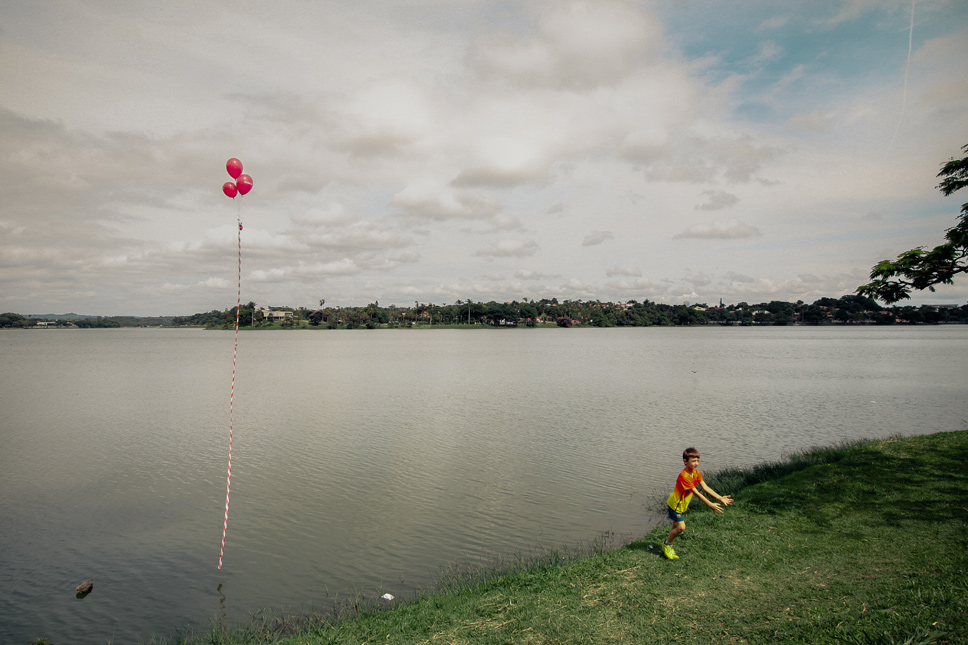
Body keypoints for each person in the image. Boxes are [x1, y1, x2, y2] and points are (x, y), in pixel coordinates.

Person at [662, 446, 732, 560]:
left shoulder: (696, 473)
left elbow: (705, 487)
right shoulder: (684, 476)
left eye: (698, 461)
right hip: (675, 505)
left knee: (675, 526)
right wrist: (710, 504)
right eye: (693, 461)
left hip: (682, 505)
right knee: (681, 527)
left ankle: (670, 544)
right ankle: (667, 544)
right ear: (685, 461)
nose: (696, 463)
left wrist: (720, 498)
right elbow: (696, 493)